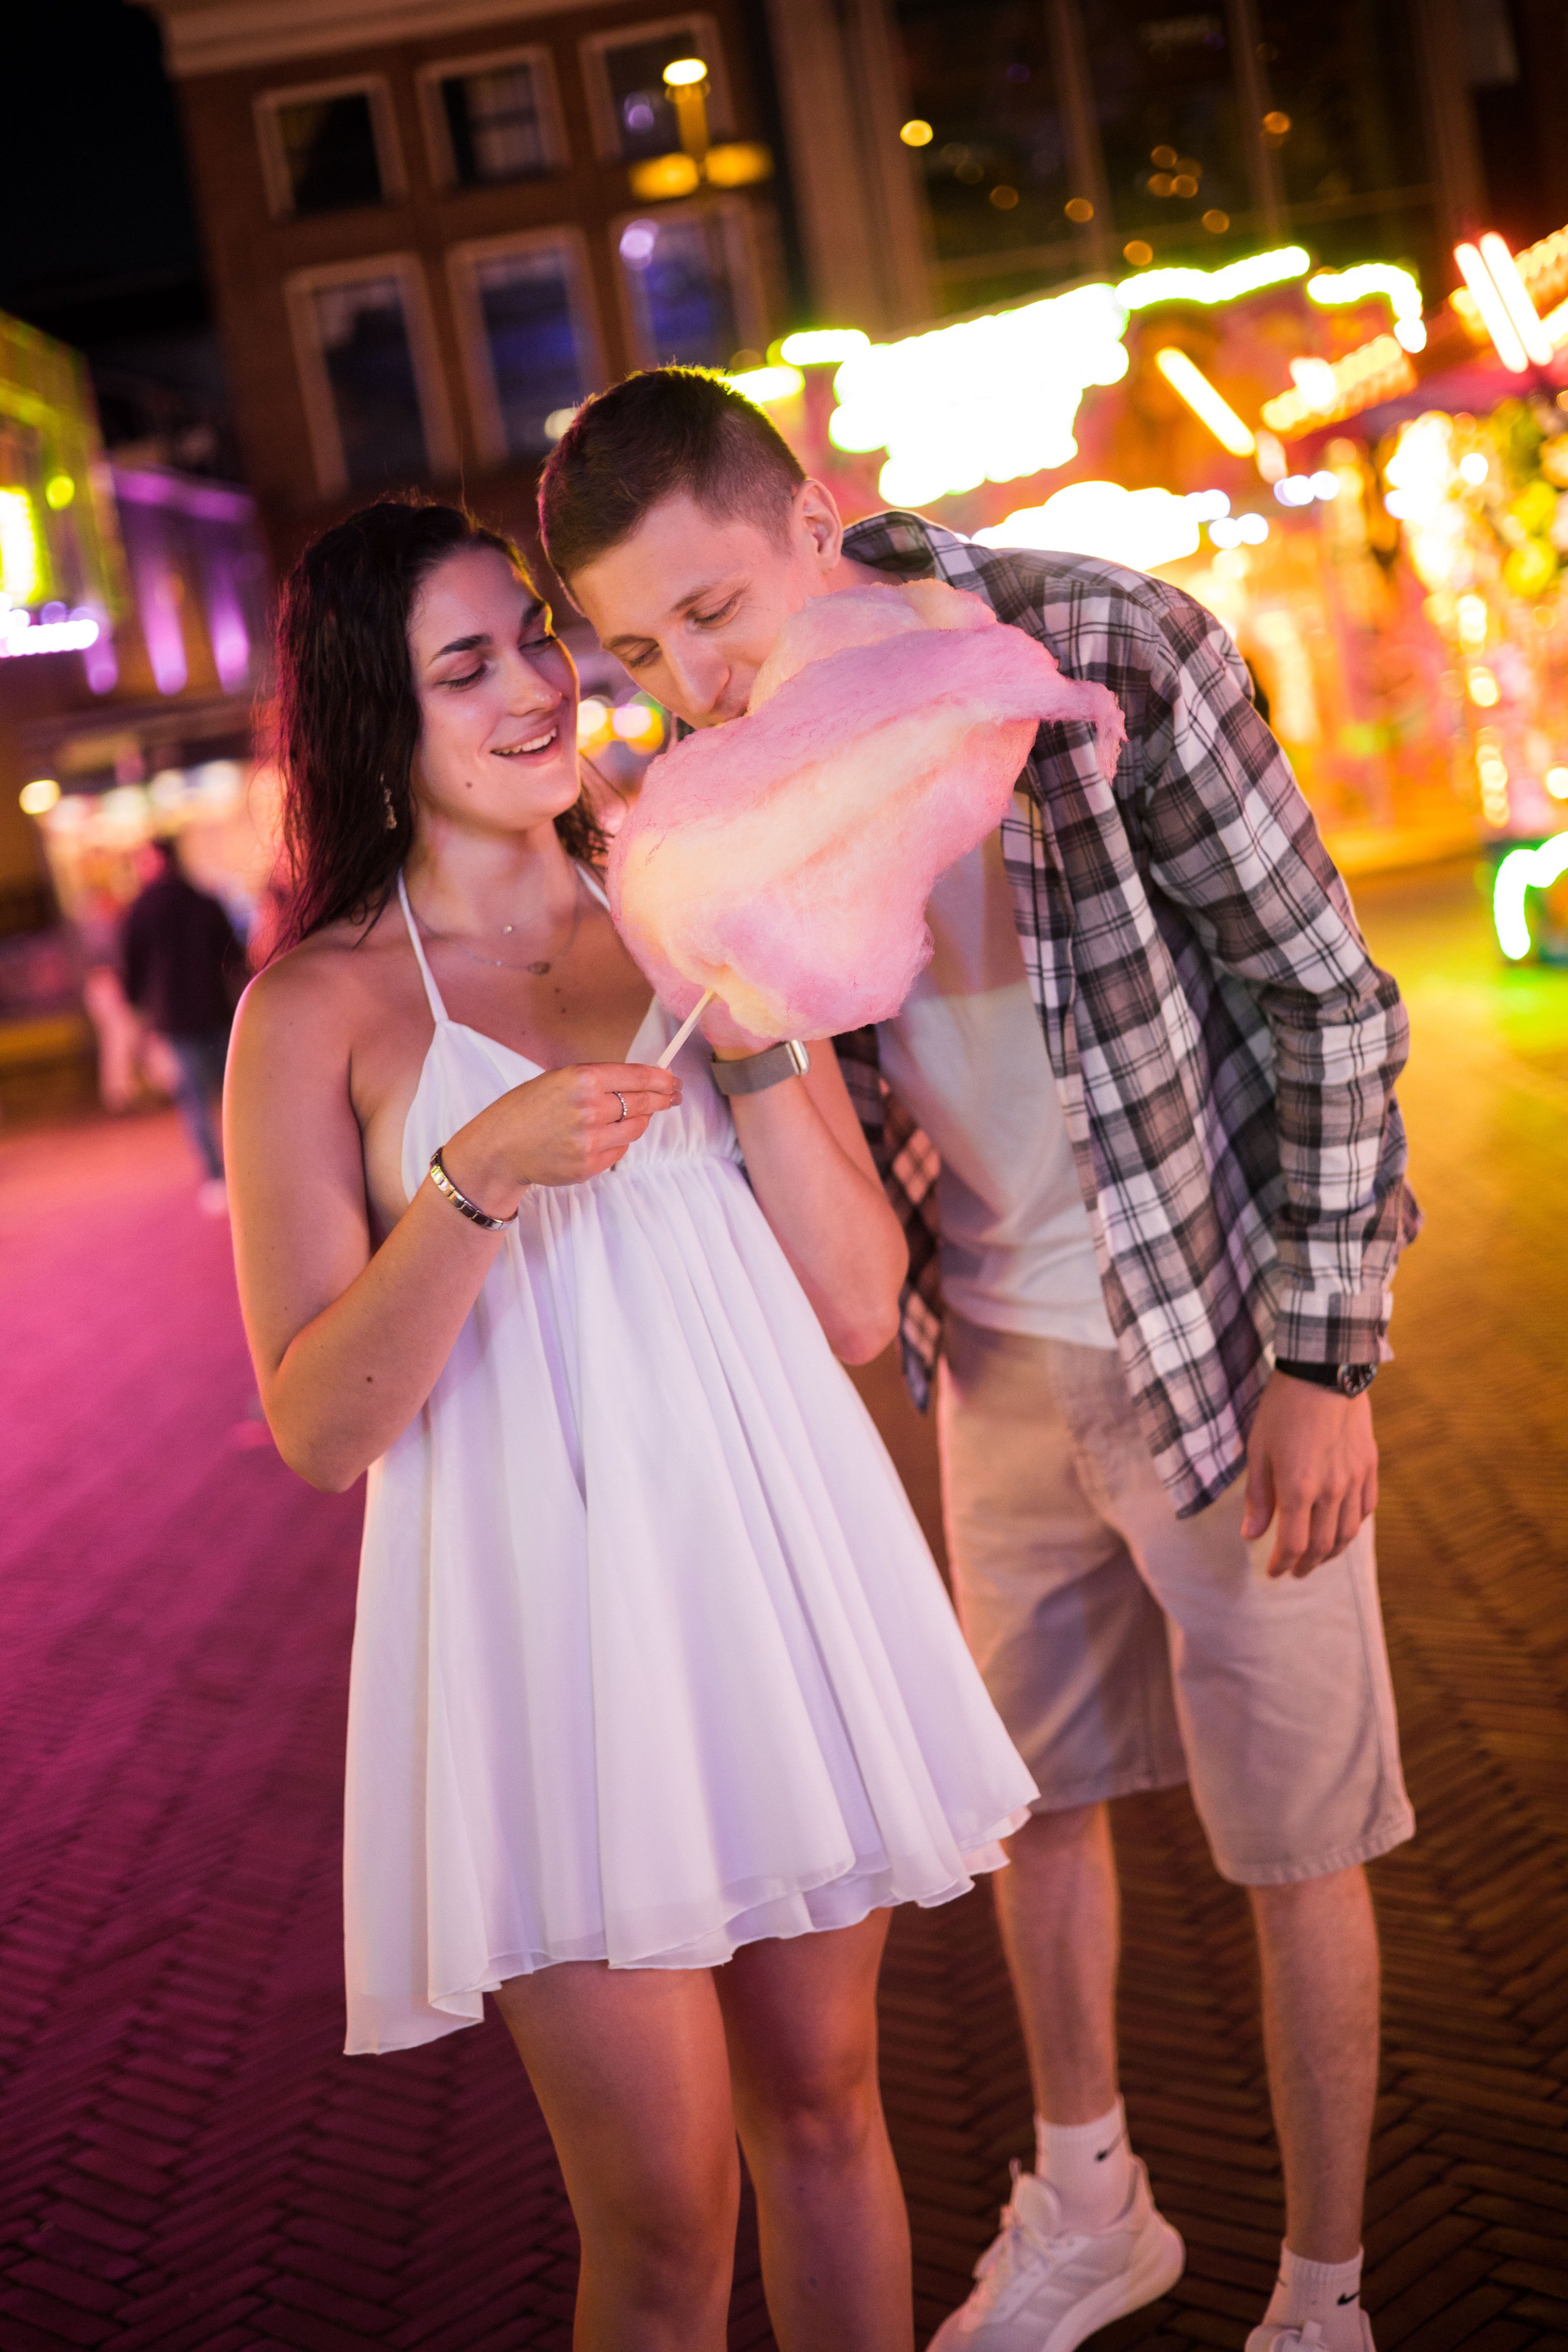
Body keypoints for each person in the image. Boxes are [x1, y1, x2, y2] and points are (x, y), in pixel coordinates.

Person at [541, 368, 1421, 2352]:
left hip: (1218, 1340)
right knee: (1032, 1806)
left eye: (710, 611)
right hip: (993, 1354)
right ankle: (1091, 2203)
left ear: (811, 516)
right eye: (636, 651)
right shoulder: (715, 796)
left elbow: (1327, 1001)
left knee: (1300, 1836)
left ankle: (1327, 2291)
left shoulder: (1092, 642)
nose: (692, 680)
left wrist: (1328, 1357)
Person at [223, 497, 1037, 2352]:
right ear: (372, 714)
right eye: (466, 664)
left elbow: (858, 1300)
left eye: (532, 634)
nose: (536, 683)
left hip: (767, 1569)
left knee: (827, 2111)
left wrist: (753, 1037)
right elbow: (320, 1428)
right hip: (549, 1638)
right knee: (663, 2217)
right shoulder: (316, 1009)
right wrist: (476, 1181)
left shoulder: (685, 903)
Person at [120, 834, 242, 1212]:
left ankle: (216, 1177)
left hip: (176, 1017)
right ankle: (248, 1170)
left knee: (194, 1100)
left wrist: (136, 1003)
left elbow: (132, 966)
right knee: (234, 1095)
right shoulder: (204, 900)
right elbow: (233, 953)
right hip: (216, 1009)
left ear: (156, 862)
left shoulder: (142, 908)